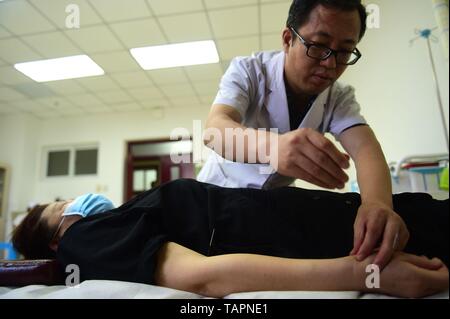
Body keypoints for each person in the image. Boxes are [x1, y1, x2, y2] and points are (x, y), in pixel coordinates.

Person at [197, 0, 408, 270]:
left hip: (274, 206)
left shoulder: (337, 97)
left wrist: (377, 204)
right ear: (288, 39)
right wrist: (273, 149)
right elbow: (215, 130)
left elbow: (365, 148)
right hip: (219, 197)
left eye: (344, 52)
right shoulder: (248, 71)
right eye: (319, 46)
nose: (330, 64)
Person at [11, 179, 449, 298]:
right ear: (53, 241)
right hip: (345, 239)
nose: (76, 202)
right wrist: (369, 274)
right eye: (60, 206)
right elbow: (205, 279)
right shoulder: (81, 243)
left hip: (338, 217)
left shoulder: (110, 224)